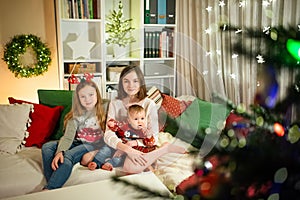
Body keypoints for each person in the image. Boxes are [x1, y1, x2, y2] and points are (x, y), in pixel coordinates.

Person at [81, 66, 186, 174]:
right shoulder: (115, 103)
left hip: (140, 145)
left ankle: (164, 149)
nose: (131, 85)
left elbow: (153, 137)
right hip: (119, 145)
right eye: (126, 81)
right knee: (85, 159)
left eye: (135, 81)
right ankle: (144, 163)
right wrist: (124, 148)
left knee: (130, 168)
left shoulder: (149, 104)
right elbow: (108, 133)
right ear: (121, 83)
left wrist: (132, 145)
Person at [41, 78, 106, 190]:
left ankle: (50, 188)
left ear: (97, 95)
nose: (88, 99)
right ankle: (54, 181)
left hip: (92, 144)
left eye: (91, 95)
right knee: (47, 147)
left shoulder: (104, 110)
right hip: (77, 142)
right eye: (83, 96)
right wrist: (59, 152)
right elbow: (67, 138)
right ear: (78, 99)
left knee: (68, 156)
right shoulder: (75, 115)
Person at [86, 104, 156, 171]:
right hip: (118, 146)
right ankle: (95, 162)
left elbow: (150, 143)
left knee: (119, 160)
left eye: (142, 118)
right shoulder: (125, 127)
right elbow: (117, 128)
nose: (140, 121)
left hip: (128, 153)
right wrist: (112, 124)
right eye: (136, 119)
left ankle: (109, 164)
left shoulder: (144, 132)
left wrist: (149, 136)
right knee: (105, 149)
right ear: (129, 120)